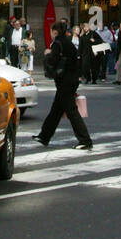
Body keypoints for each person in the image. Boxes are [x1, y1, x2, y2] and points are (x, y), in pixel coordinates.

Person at [37, 21, 93, 150]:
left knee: (71, 111)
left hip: (65, 82)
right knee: (56, 110)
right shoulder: (69, 43)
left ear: (55, 32)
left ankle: (85, 140)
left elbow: (53, 60)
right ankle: (44, 135)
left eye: (51, 31)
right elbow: (76, 61)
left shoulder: (57, 44)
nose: (51, 34)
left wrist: (47, 55)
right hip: (71, 80)